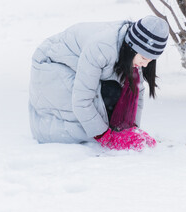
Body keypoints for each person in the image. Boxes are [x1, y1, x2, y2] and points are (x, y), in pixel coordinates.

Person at [28, 15, 169, 150]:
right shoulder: (102, 48)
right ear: (133, 47)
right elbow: (81, 101)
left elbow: (136, 93)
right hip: (51, 67)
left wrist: (132, 130)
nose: (145, 65)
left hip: (76, 64)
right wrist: (107, 137)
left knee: (115, 96)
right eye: (144, 58)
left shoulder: (133, 49)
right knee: (95, 114)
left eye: (150, 60)